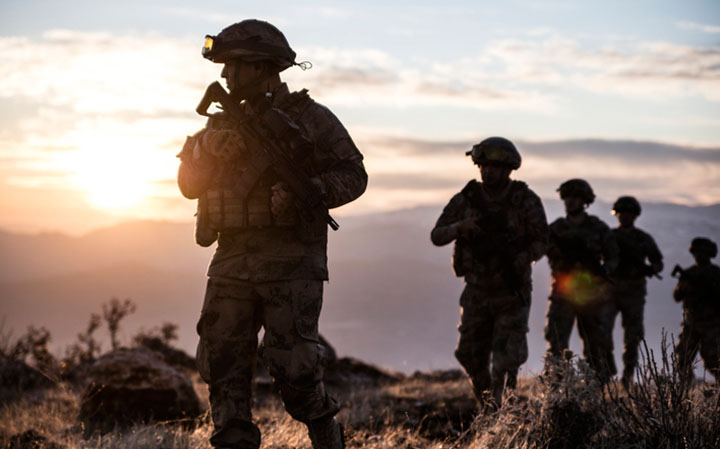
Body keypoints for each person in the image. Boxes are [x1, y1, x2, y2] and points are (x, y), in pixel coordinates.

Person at [177, 19, 367, 449]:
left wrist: (312, 191)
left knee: (296, 374)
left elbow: (355, 173)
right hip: (231, 261)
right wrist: (205, 152)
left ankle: (326, 433)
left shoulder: (311, 119)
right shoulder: (218, 124)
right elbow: (188, 184)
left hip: (291, 264)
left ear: (263, 68)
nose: (225, 75)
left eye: (235, 67)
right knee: (223, 367)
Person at [431, 137, 548, 409]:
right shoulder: (467, 199)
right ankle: (488, 409)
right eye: (483, 165)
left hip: (511, 291)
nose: (488, 171)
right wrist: (461, 227)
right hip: (477, 290)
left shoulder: (525, 201)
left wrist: (519, 260)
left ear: (508, 169)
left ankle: (502, 417)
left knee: (506, 362)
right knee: (471, 355)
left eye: (494, 166)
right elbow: (437, 235)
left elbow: (542, 240)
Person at [545, 179, 618, 383]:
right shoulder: (556, 229)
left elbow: (613, 257)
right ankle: (556, 390)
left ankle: (597, 392)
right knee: (556, 344)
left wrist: (600, 274)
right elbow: (544, 251)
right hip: (563, 293)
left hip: (591, 295)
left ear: (584, 201)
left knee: (596, 346)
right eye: (567, 197)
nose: (570, 201)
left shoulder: (598, 228)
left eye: (575, 197)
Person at [608, 196, 663, 387]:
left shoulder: (643, 239)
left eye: (628, 213)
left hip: (634, 293)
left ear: (635, 215)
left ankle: (627, 377)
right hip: (610, 292)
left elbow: (658, 262)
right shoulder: (610, 236)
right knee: (602, 334)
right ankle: (605, 373)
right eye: (622, 213)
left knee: (632, 337)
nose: (625, 217)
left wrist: (649, 268)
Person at [673, 237, 720, 385]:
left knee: (712, 359)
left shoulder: (716, 274)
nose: (699, 256)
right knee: (682, 358)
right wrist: (683, 288)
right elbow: (677, 296)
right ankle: (687, 392)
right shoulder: (689, 273)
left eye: (703, 252)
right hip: (691, 322)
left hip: (712, 324)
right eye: (697, 252)